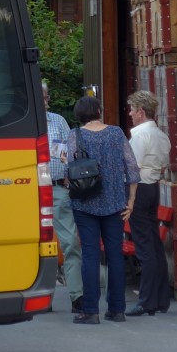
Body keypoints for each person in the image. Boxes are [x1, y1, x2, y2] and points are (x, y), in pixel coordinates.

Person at [68, 95, 139, 325]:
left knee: (90, 256)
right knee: (115, 255)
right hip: (115, 203)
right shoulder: (116, 133)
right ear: (99, 110)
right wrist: (131, 200)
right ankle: (117, 310)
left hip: (85, 203)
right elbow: (132, 168)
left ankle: (90, 311)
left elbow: (70, 168)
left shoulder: (75, 135)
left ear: (79, 114)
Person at [126, 90, 172, 316]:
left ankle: (146, 301)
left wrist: (130, 199)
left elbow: (132, 170)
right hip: (153, 187)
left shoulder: (140, 136)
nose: (130, 114)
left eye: (132, 110)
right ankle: (161, 299)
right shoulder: (161, 136)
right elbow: (162, 167)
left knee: (144, 246)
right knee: (153, 243)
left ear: (141, 112)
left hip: (140, 189)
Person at [43, 81, 83, 313]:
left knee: (69, 243)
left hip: (57, 189)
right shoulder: (21, 125)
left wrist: (68, 175)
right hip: (28, 191)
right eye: (42, 97)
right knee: (37, 245)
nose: (46, 101)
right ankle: (41, 295)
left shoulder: (57, 122)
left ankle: (76, 296)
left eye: (46, 97)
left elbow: (67, 155)